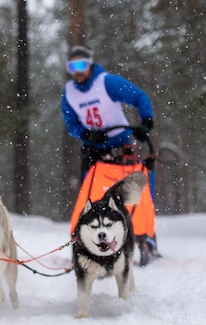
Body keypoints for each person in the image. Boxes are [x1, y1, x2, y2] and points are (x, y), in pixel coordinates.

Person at [61, 45, 160, 265]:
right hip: (95, 150)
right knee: (92, 197)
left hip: (122, 146)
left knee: (136, 194)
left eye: (81, 65)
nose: (77, 70)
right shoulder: (70, 93)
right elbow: (71, 123)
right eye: (72, 66)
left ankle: (146, 237)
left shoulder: (106, 83)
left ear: (89, 64)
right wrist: (84, 133)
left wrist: (146, 121)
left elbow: (139, 97)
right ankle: (85, 238)